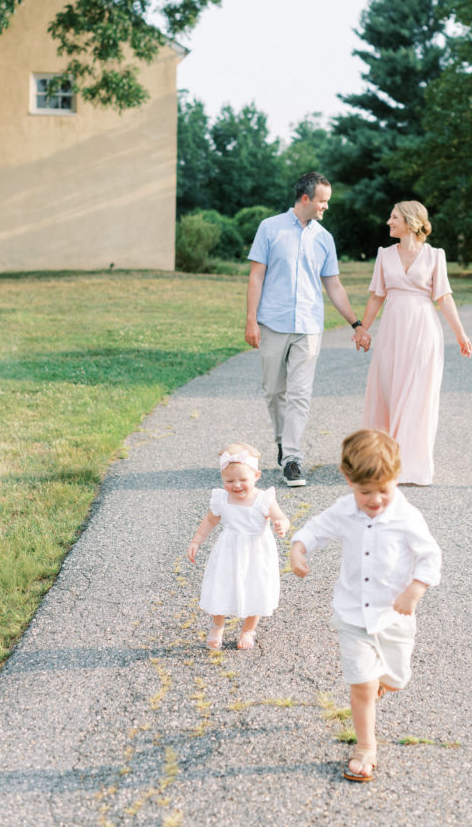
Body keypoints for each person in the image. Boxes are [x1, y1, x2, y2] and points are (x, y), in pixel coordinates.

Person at [290, 429, 441, 783]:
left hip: (394, 615)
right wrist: (299, 549)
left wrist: (415, 589)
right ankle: (365, 746)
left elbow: (430, 556)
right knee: (361, 684)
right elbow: (315, 529)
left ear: (396, 479)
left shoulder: (407, 516)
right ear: (348, 480)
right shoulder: (345, 510)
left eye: (383, 490)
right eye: (364, 492)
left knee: (396, 679)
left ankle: (381, 684)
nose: (374, 500)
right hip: (352, 613)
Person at [246, 172, 370, 487]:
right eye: (322, 201)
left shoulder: (324, 238)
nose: (325, 207)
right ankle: (282, 440)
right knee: (274, 391)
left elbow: (334, 285)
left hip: (309, 326)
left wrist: (355, 324)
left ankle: (292, 459)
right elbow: (256, 276)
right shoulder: (269, 228)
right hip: (272, 323)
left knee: (300, 393)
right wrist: (250, 320)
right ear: (305, 199)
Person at [359, 200, 472, 486]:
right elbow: (376, 296)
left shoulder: (435, 256)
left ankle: (411, 465)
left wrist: (460, 334)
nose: (388, 221)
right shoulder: (384, 255)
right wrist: (363, 329)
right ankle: (383, 462)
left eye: (393, 217)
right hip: (392, 331)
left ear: (410, 222)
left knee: (417, 395)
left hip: (423, 329)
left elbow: (444, 297)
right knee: (388, 391)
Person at [187, 443, 290, 650]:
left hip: (257, 552)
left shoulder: (264, 500)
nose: (236, 485)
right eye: (229, 480)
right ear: (222, 479)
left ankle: (248, 630)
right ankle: (217, 625)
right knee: (221, 586)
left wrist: (281, 525)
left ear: (256, 476)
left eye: (243, 480)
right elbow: (209, 521)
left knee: (256, 588)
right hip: (228, 552)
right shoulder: (222, 499)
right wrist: (196, 541)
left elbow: (282, 518)